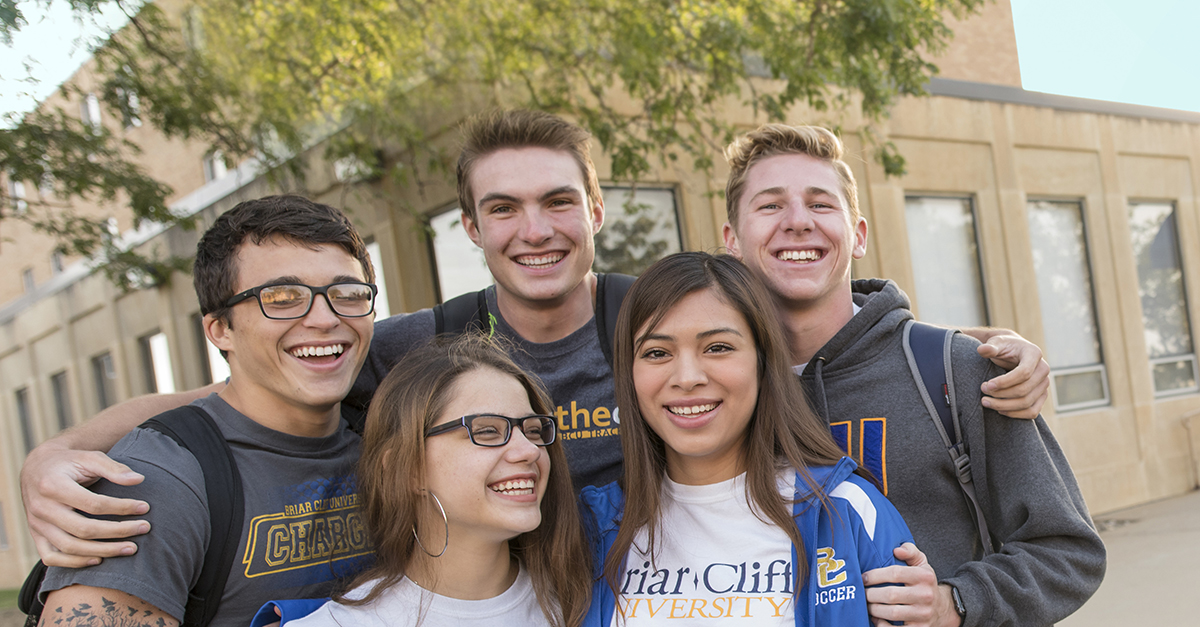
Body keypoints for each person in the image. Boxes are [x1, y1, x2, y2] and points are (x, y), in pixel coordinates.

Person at [20, 109, 1049, 569]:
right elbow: (260, 395)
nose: (535, 228)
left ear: (597, 209)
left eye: (559, 200)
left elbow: (798, 311)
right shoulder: (421, 348)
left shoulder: (657, 319)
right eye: (503, 210)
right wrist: (61, 451)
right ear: (470, 230)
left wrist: (969, 351)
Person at [721, 123, 1105, 626]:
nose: (797, 222)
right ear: (732, 239)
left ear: (857, 235)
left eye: (821, 204)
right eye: (770, 205)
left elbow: (1068, 551)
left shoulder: (956, 371)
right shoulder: (717, 390)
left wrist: (955, 603)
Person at [36, 195, 376, 626]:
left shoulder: (391, 437)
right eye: (283, 297)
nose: (325, 318)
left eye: (346, 293)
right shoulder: (156, 480)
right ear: (220, 330)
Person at [583, 252, 913, 625]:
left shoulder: (844, 510)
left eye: (717, 347)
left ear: (763, 360)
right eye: (657, 353)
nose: (687, 377)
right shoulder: (594, 528)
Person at [262, 335, 591, 627]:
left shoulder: (595, 605)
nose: (528, 450)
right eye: (487, 430)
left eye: (533, 430)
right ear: (407, 469)